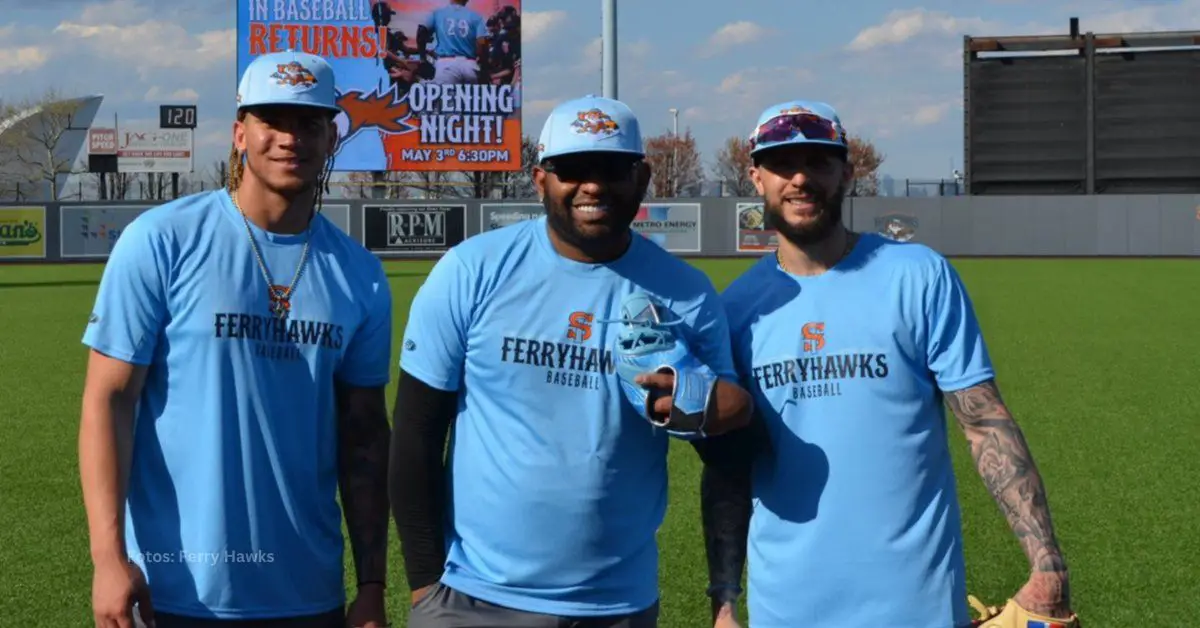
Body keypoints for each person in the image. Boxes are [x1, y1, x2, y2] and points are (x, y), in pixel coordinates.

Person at [697, 100, 1077, 627]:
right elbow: (729, 467)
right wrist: (724, 602)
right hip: (786, 608)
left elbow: (984, 421)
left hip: (916, 605)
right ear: (756, 176)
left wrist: (1048, 563)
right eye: (783, 164)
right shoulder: (736, 311)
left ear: (847, 173)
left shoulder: (918, 275)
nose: (801, 178)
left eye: (819, 162)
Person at [388, 95, 754, 627]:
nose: (593, 185)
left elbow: (727, 447)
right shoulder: (471, 270)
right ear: (540, 180)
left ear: (643, 178)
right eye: (572, 169)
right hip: (473, 599)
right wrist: (425, 585)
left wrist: (705, 406)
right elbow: (417, 432)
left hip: (615, 606)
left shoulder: (686, 294)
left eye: (612, 169)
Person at [79, 50, 392, 628]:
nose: (289, 138)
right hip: (175, 590)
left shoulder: (361, 275)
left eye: (309, 123)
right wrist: (107, 557)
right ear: (240, 132)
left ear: (331, 139)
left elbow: (365, 439)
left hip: (308, 594)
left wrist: (371, 584)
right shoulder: (162, 240)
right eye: (272, 120)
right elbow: (109, 398)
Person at [417, 0, 488, 85]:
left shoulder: (438, 13)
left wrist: (422, 58)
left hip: (446, 65)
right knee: (469, 97)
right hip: (469, 65)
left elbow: (421, 32)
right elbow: (481, 42)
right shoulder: (476, 16)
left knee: (446, 97)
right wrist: (483, 63)